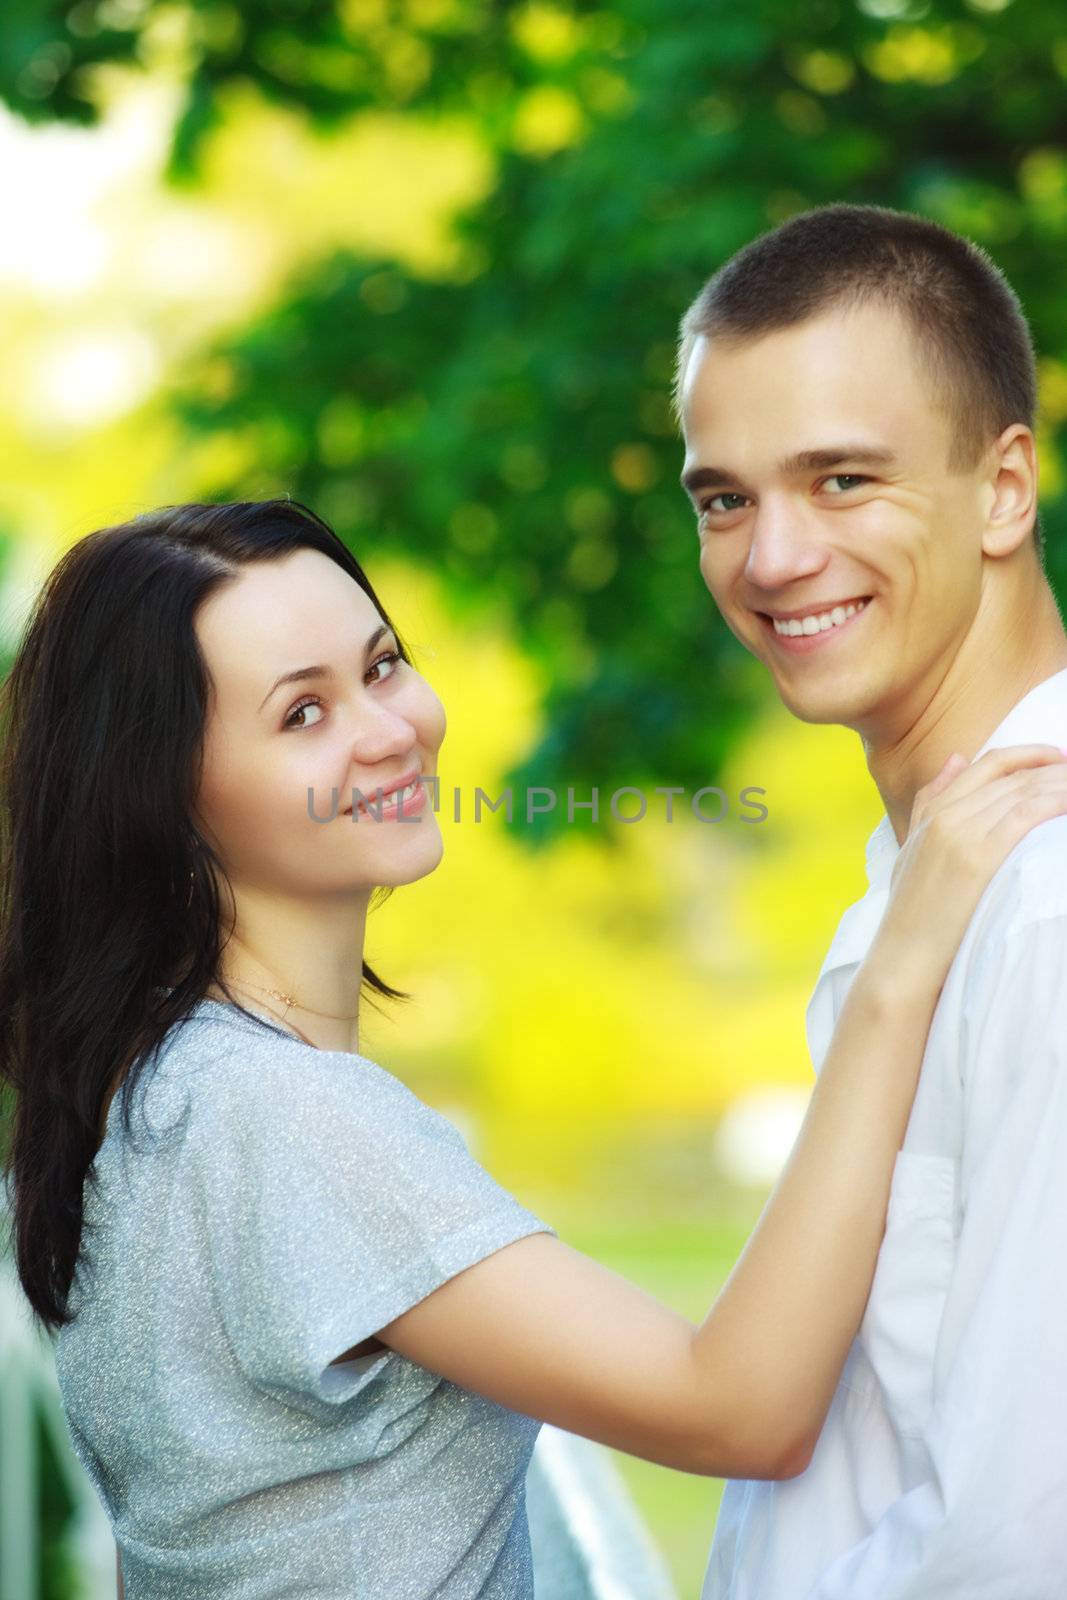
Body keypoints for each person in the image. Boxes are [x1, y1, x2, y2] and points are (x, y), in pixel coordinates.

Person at [2, 502, 1066, 1600]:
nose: (385, 728)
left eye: (382, 664)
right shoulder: (283, 1122)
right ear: (162, 796)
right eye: (303, 712)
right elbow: (737, 1406)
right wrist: (900, 960)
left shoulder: (143, 1105)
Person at [676, 201, 1067, 1599]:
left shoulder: (1041, 902)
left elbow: (1023, 1535)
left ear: (1003, 490)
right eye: (721, 496)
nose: (768, 559)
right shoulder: (921, 886)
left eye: (840, 480)